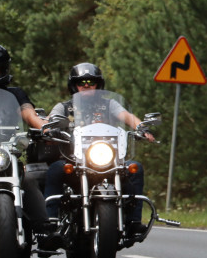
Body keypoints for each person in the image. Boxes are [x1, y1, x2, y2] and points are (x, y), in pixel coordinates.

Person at [43, 63, 154, 240]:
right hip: (74, 160)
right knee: (56, 169)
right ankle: (51, 222)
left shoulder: (109, 105)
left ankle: (133, 221)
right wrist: (47, 130)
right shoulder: (64, 108)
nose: (86, 85)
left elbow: (128, 117)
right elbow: (49, 122)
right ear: (74, 85)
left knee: (135, 168)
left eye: (91, 82)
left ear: (98, 85)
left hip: (108, 160)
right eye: (82, 82)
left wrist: (141, 127)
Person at [0, 42, 52, 234]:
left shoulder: (15, 94)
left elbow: (29, 114)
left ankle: (44, 227)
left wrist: (44, 128)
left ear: (4, 70)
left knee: (26, 179)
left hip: (7, 153)